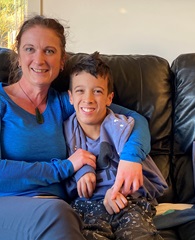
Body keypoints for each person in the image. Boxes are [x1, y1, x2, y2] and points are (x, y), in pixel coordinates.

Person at [0, 15, 151, 240]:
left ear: (62, 60)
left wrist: (130, 158)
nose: (39, 59)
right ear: (18, 56)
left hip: (55, 212)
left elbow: (136, 119)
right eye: (29, 49)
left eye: (49, 51)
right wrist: (64, 167)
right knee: (60, 215)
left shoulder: (67, 103)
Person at [63, 51, 168, 239]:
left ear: (109, 98)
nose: (88, 99)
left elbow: (140, 177)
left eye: (97, 91)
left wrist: (117, 190)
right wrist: (81, 171)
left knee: (138, 235)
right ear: (70, 97)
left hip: (127, 202)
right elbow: (63, 170)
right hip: (86, 205)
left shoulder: (121, 126)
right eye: (80, 90)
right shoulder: (65, 130)